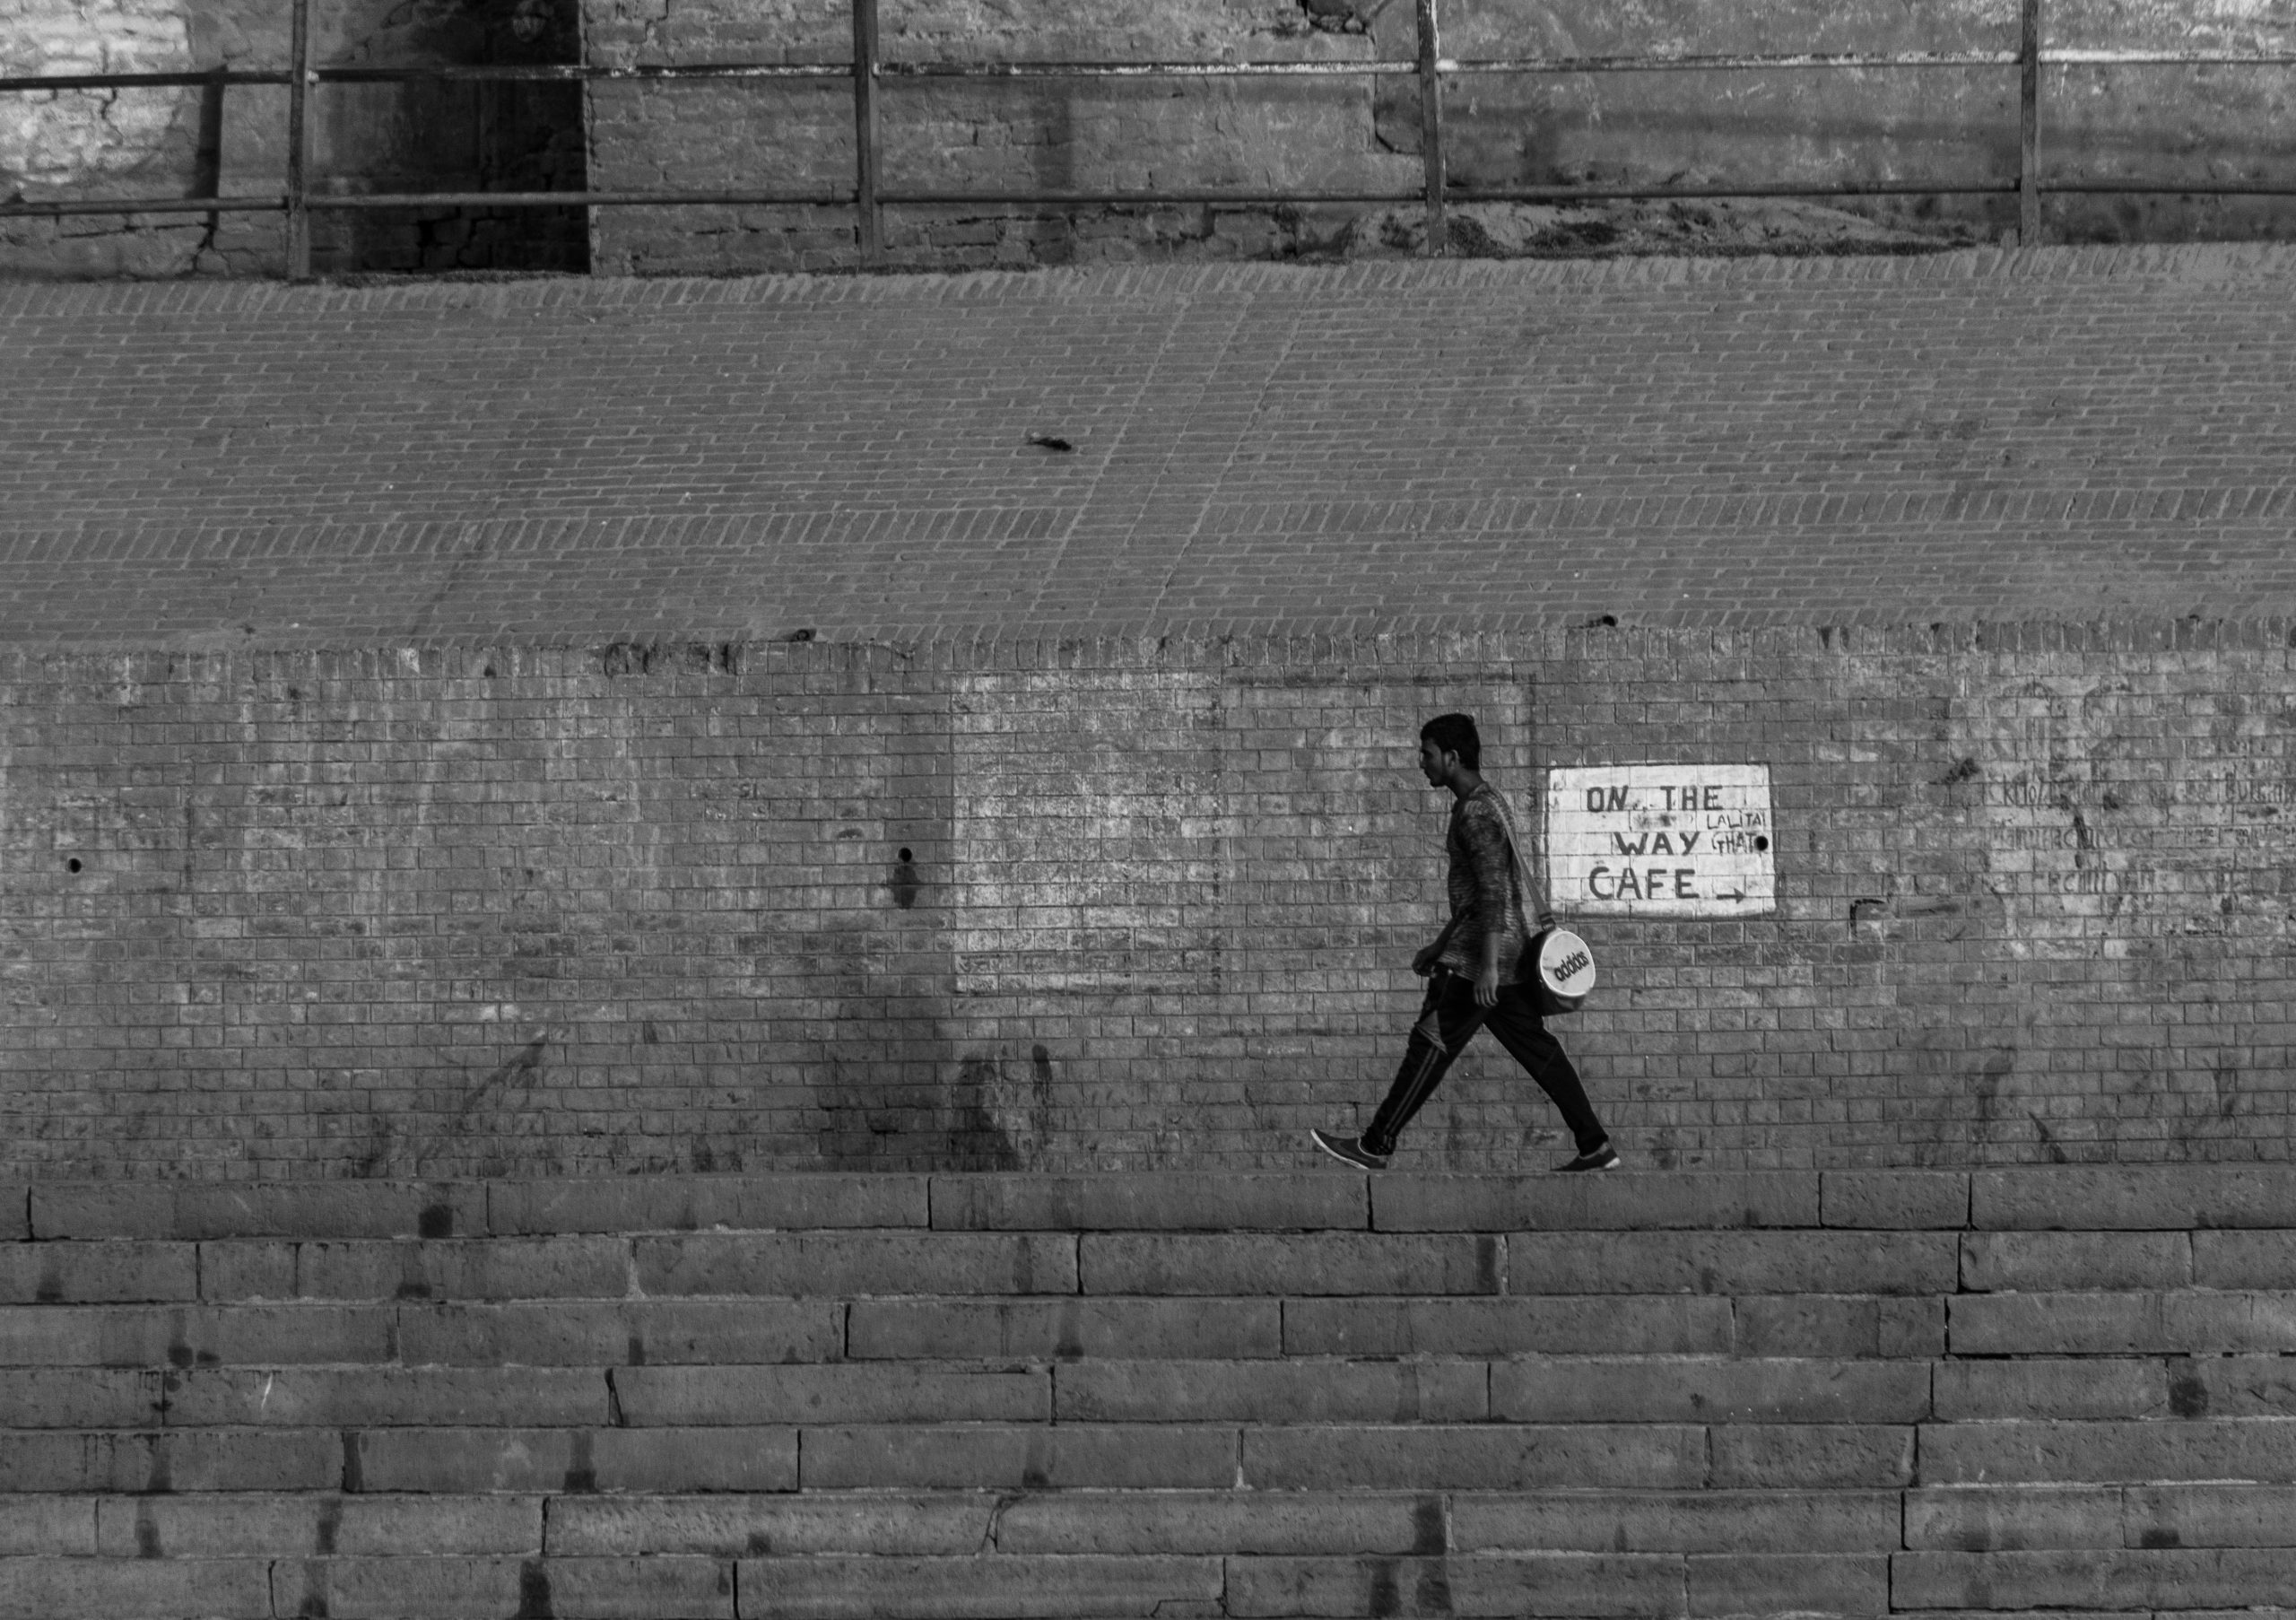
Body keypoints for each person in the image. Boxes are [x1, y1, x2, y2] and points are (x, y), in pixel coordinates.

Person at [1311, 712, 1619, 1172]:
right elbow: (1478, 898)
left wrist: (1488, 966)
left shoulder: (1474, 812)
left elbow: (1493, 891)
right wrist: (1438, 946)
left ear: (1452, 758)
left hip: (1478, 964)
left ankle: (1376, 1145)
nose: (1422, 763)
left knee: (1428, 1047)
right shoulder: (1489, 801)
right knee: (1539, 1050)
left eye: (1428, 754)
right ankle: (1595, 1145)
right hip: (1500, 955)